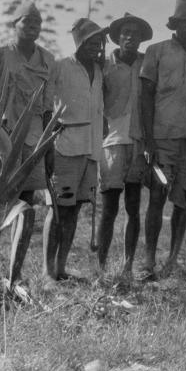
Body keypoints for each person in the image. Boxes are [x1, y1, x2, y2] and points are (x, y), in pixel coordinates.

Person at [139, 0, 186, 280]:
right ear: (176, 23)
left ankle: (171, 261)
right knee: (157, 195)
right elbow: (146, 97)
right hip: (162, 137)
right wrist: (148, 140)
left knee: (182, 199)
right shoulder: (155, 51)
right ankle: (148, 260)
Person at [0, 1, 55, 287]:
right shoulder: (1, 55)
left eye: (37, 23)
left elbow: (48, 104)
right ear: (14, 24)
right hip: (4, 137)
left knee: (25, 205)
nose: (32, 27)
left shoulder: (47, 59)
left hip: (34, 137)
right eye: (27, 22)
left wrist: (48, 142)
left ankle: (15, 274)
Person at [46, 18, 107, 280]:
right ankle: (49, 271)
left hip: (91, 149)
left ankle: (61, 267)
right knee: (58, 209)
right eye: (90, 41)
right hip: (66, 147)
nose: (95, 46)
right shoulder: (60, 67)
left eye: (99, 42)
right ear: (79, 42)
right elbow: (46, 103)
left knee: (76, 210)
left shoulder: (99, 71)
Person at [97, 13, 153, 277]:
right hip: (112, 143)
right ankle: (102, 266)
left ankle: (127, 266)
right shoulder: (104, 64)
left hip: (138, 142)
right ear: (118, 37)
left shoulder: (146, 63)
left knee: (133, 207)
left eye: (135, 33)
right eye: (125, 33)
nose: (130, 37)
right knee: (109, 208)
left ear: (142, 38)